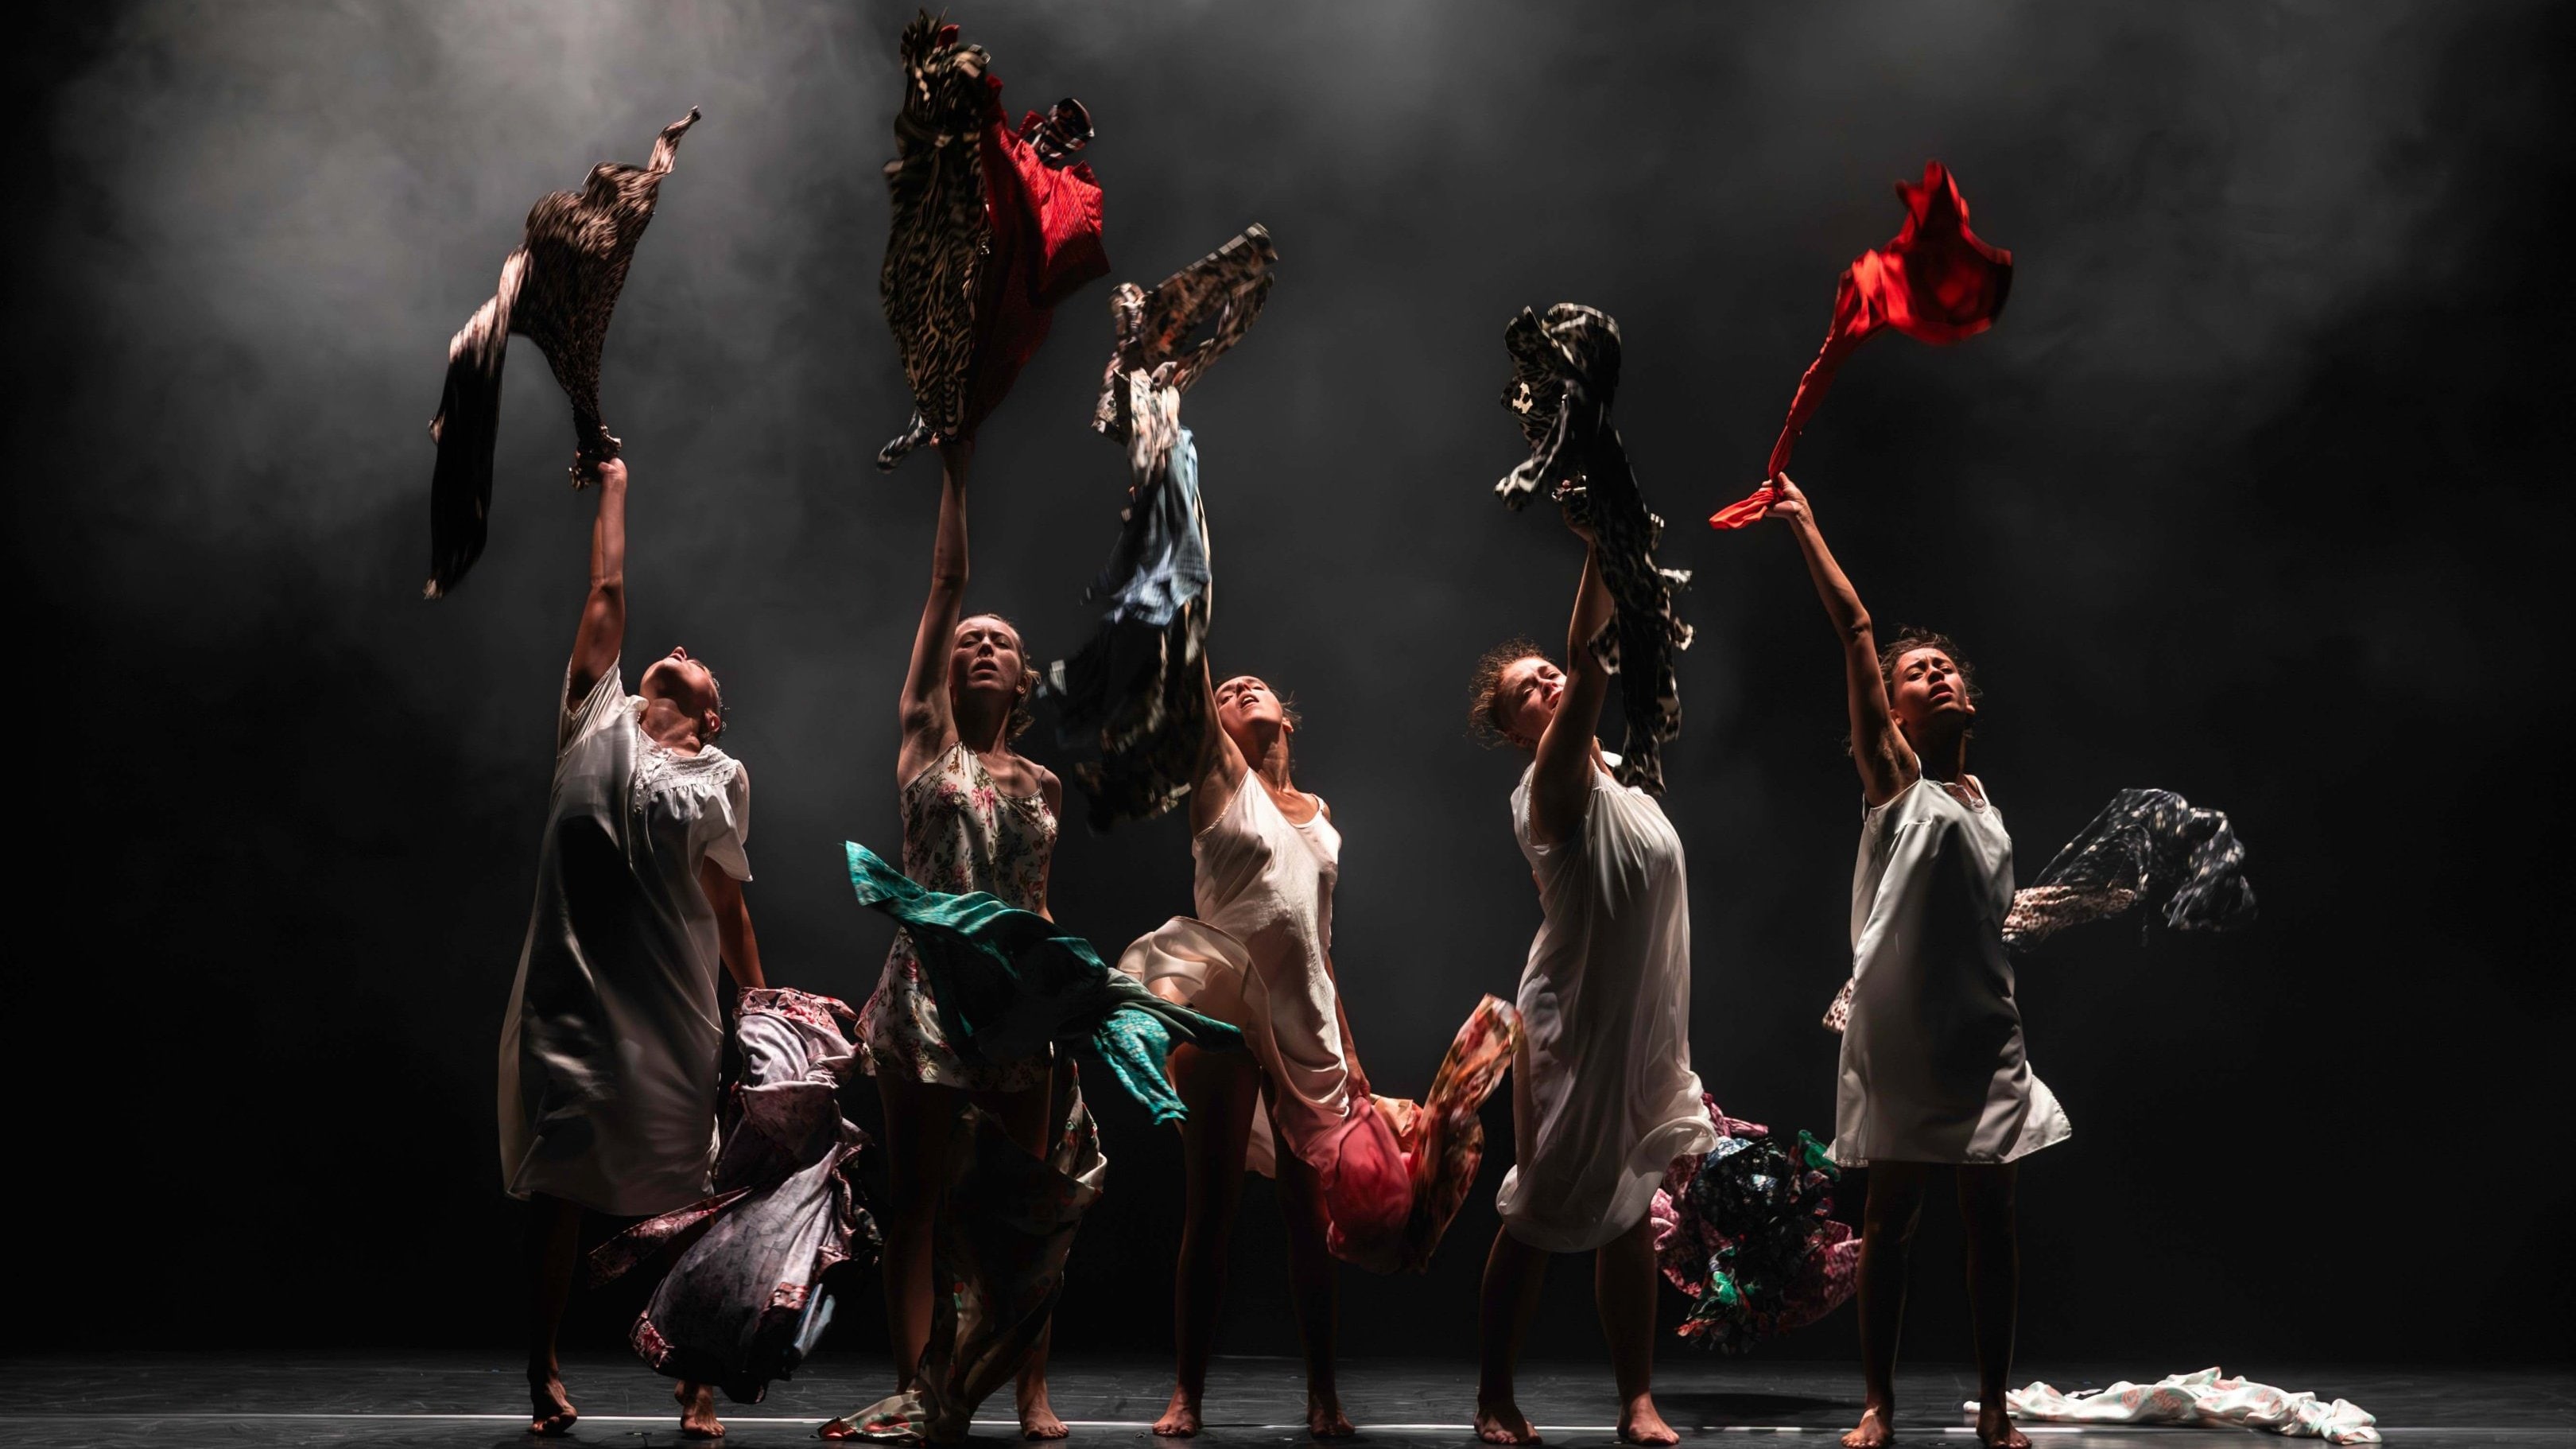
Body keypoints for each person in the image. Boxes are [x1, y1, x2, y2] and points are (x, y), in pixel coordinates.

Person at [1758, 473, 2069, 1449]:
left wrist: (2071, 902)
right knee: (1890, 1220)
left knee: (1996, 1226)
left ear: (1966, 694)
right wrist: (1806, 524)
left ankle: (1996, 1407)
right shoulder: (1896, 782)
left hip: (1984, 1037)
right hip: (1903, 1037)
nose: (1931, 674)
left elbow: (1981, 913)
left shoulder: (1986, 804)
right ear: (1889, 710)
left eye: (1943, 667)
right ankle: (1879, 1404)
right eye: (1914, 671)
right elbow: (1856, 632)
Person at [495, 455, 765, 1439]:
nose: (680, 644)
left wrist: (765, 1011)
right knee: (562, 1187)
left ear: (712, 710)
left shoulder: (724, 773)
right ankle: (543, 1362)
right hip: (574, 1000)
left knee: (693, 1197)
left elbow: (729, 910)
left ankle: (695, 1378)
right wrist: (614, 482)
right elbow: (606, 586)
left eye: (701, 663)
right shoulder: (590, 722)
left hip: (673, 1011)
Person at [1465, 503, 1718, 1447]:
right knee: (1540, 1204)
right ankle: (1493, 1396)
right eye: (1528, 691)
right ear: (1521, 727)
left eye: (1547, 676)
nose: (1549, 686)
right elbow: (1596, 657)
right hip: (1572, 1021)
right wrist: (1602, 550)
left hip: (1641, 1022)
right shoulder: (1553, 784)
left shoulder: (1627, 785)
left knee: (1628, 1208)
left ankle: (1636, 1400)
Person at [851, 437, 1069, 1440]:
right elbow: (948, 580)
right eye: (969, 638)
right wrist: (957, 463)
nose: (982, 644)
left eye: (1002, 642)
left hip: (1016, 1000)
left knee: (1019, 1214)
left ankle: (1024, 1386)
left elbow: (1035, 897)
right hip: (926, 992)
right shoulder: (922, 736)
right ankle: (918, 1390)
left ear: (1023, 680)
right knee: (919, 1204)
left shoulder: (1045, 787)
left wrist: (1065, 989)